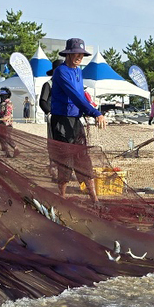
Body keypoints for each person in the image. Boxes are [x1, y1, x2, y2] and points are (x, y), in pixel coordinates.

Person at [48, 38, 106, 200]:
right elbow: (73, 94)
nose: (79, 56)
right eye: (76, 53)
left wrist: (90, 110)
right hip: (61, 121)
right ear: (68, 54)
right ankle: (62, 197)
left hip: (75, 120)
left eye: (81, 54)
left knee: (83, 158)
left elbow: (81, 96)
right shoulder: (61, 71)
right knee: (65, 160)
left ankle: (94, 198)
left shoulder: (79, 71)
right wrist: (95, 113)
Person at [0, 86, 19, 157]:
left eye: (3, 95)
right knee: (1, 138)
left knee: (7, 138)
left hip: (7, 125)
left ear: (7, 95)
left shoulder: (9, 103)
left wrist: (1, 120)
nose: (1, 96)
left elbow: (7, 114)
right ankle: (6, 153)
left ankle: (16, 148)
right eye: (1, 95)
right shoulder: (0, 104)